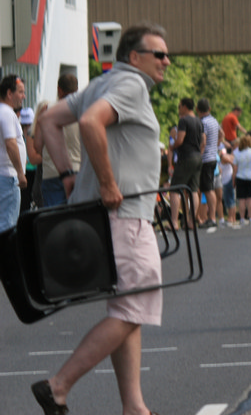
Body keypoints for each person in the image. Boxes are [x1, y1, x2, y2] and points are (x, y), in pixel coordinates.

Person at [35, 22, 170, 415]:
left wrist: (68, 174)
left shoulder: (100, 83)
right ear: (135, 57)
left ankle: (134, 406)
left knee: (127, 310)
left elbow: (48, 120)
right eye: (159, 54)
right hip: (123, 214)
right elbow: (91, 122)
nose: (166, 60)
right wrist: (108, 184)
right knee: (134, 307)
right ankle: (58, 386)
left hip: (102, 218)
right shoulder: (131, 85)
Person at [33, 74, 80, 207]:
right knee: (77, 215)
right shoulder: (82, 109)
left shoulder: (46, 110)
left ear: (59, 89)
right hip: (77, 170)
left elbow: (37, 145)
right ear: (76, 89)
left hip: (52, 173)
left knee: (55, 216)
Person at [168, 98, 204, 230]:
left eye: (180, 106)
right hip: (197, 156)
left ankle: (174, 222)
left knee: (174, 189)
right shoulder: (199, 121)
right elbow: (203, 141)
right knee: (193, 190)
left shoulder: (183, 121)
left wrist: (172, 146)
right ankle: (191, 221)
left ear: (184, 106)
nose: (179, 109)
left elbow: (180, 140)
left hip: (186, 157)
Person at [0, 74, 26, 232]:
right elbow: (10, 143)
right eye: (20, 92)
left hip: (4, 176)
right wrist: (20, 173)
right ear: (9, 93)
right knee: (8, 226)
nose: (24, 96)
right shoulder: (7, 113)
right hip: (8, 178)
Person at [197, 98, 221, 228]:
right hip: (213, 157)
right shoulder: (214, 121)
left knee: (208, 189)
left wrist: (199, 156)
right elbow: (221, 134)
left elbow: (203, 141)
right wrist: (216, 145)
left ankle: (211, 217)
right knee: (209, 188)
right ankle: (210, 217)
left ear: (197, 110)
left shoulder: (203, 122)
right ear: (209, 109)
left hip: (205, 159)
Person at [233, 134, 251, 225]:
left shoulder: (237, 153)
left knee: (242, 199)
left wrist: (233, 180)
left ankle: (242, 219)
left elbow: (235, 168)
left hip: (240, 177)